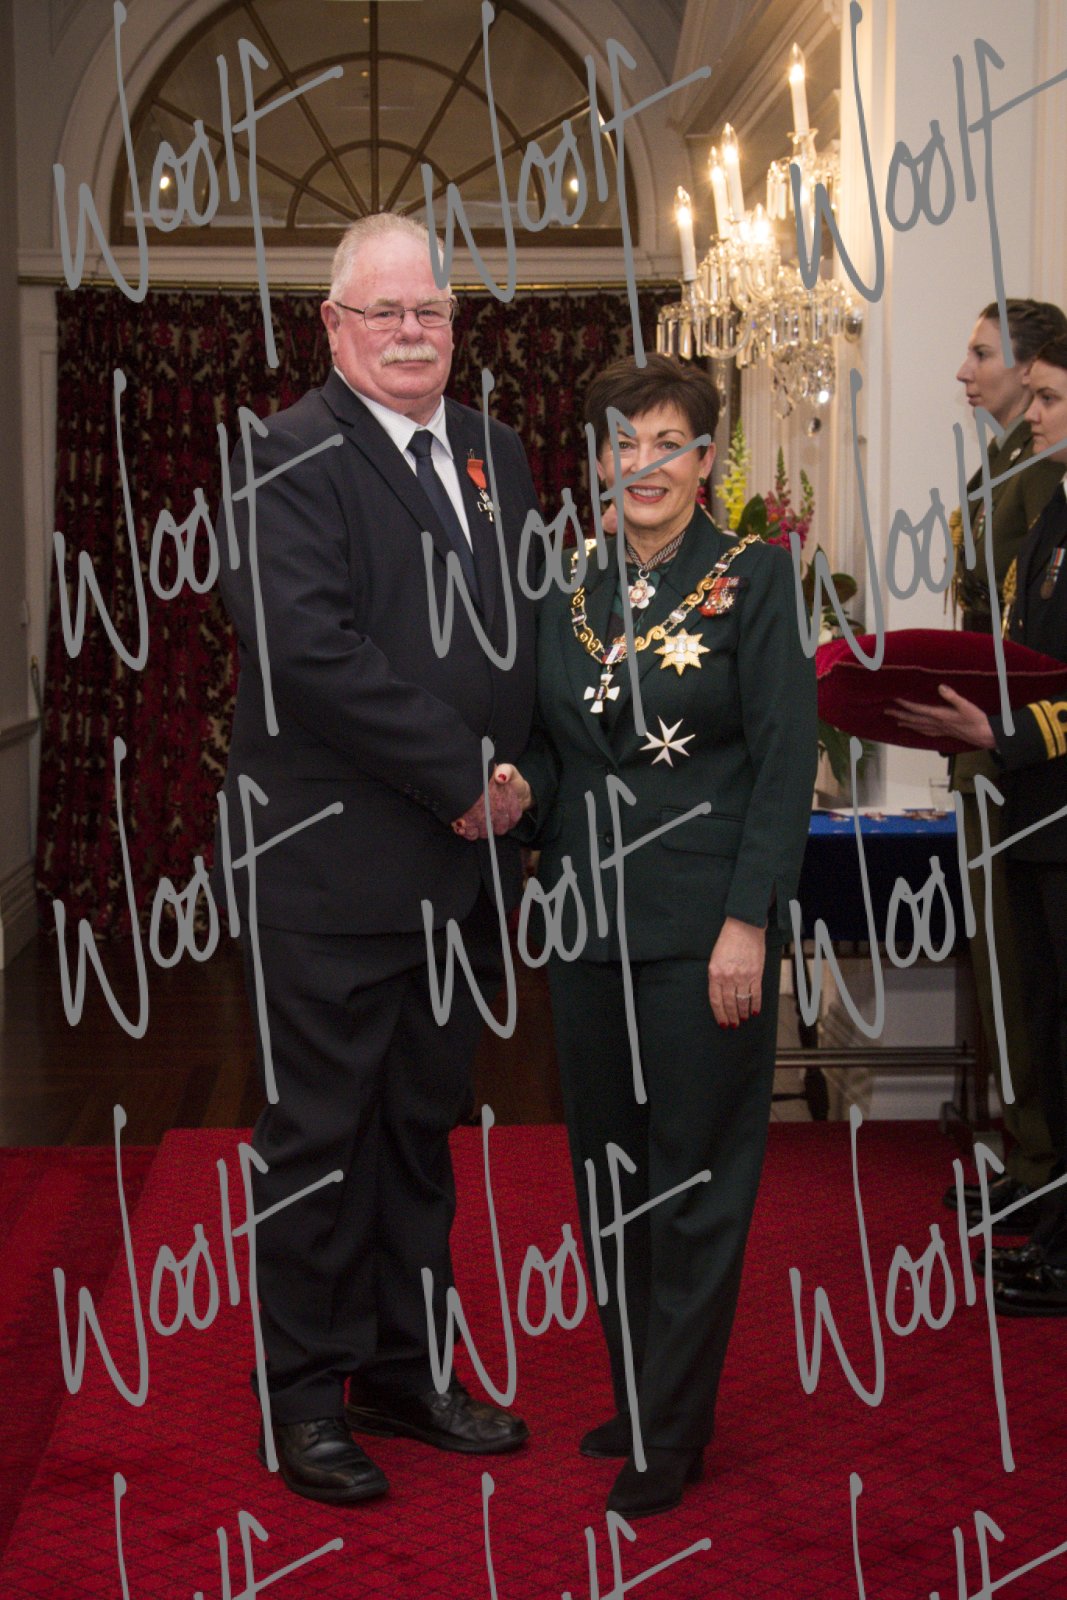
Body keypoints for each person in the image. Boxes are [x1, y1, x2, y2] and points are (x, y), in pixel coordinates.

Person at [216, 212, 538, 1503]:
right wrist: (462, 776)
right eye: (384, 312)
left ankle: (405, 1372)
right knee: (318, 1142)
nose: (411, 332)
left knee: (417, 1135)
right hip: (329, 875)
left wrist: (526, 780)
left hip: (462, 880)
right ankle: (302, 1399)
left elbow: (519, 636)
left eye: (431, 311)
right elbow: (309, 654)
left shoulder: (497, 454)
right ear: (333, 326)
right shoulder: (282, 455)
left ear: (456, 324)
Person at [496, 353, 817, 1516]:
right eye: (622, 443)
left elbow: (784, 760)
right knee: (612, 1178)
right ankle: (643, 1396)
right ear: (597, 460)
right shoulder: (568, 589)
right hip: (585, 926)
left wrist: (747, 923)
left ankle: (671, 1432)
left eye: (667, 443)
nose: (643, 464)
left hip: (701, 933)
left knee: (694, 1181)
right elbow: (553, 751)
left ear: (705, 459)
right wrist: (517, 791)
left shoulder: (754, 576)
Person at [893, 333, 1067, 1315]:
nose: (1030, 413)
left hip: (1038, 770)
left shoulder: (1041, 489)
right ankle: (1044, 1194)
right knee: (1028, 997)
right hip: (1019, 772)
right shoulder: (1041, 495)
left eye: (1046, 395)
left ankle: (1047, 1194)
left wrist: (1003, 732)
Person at [946, 299, 1067, 1234]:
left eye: (982, 354)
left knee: (1027, 977)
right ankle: (1030, 1156)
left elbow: (1027, 630)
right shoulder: (1004, 463)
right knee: (1004, 969)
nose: (965, 370)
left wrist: (1001, 728)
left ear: (1030, 372)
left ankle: (1040, 1163)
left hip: (1026, 747)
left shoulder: (1039, 474)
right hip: (993, 741)